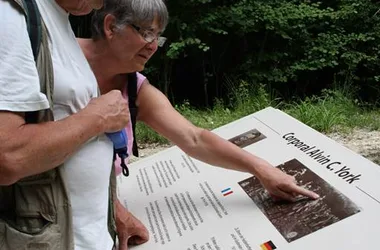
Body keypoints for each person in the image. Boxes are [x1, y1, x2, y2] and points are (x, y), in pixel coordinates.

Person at [78, 0, 320, 248]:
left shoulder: (135, 89)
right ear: (111, 26)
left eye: (158, 37)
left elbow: (194, 138)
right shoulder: (55, 64)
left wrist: (261, 169)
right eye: (147, 33)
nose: (153, 47)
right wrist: (113, 208)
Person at [0, 0, 130, 249]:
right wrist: (99, 118)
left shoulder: (60, 17)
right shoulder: (10, 15)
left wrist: (111, 213)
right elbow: (7, 157)